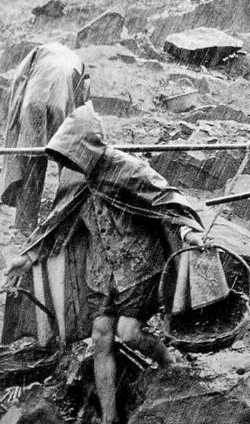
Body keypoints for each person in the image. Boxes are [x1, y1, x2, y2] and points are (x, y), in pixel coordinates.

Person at [3, 104, 216, 424]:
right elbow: (57, 223)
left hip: (138, 264)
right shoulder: (75, 178)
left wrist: (188, 233)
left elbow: (164, 201)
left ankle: (168, 363)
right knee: (102, 335)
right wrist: (27, 257)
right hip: (101, 270)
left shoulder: (126, 168)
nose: (70, 162)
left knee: (128, 332)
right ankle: (109, 416)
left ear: (88, 147)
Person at [1, 44, 88, 235]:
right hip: (62, 101)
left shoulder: (39, 53)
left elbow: (19, 81)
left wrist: (15, 119)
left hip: (34, 100)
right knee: (68, 160)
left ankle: (25, 224)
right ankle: (66, 218)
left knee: (33, 159)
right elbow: (84, 105)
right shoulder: (76, 62)